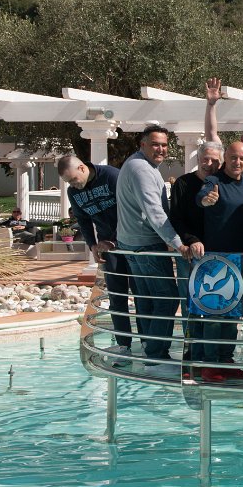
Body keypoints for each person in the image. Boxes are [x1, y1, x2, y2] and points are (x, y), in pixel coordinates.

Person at [116, 125, 189, 379]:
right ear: (143, 144)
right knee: (167, 298)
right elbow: (154, 211)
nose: (161, 149)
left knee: (147, 300)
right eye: (155, 144)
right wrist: (178, 243)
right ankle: (156, 357)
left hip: (132, 243)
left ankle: (150, 351)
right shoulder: (141, 169)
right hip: (145, 245)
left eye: (164, 145)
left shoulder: (138, 164)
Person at [57, 155, 136, 363]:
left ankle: (149, 344)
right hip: (107, 248)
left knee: (141, 295)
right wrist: (92, 244)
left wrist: (115, 240)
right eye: (68, 182)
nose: (73, 185)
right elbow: (83, 220)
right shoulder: (74, 192)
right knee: (117, 298)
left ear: (82, 168)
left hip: (132, 242)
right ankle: (124, 346)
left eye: (74, 179)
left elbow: (129, 209)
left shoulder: (111, 176)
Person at [196, 141, 243, 383]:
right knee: (215, 314)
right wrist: (206, 200)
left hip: (241, 258)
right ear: (225, 158)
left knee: (234, 314)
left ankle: (226, 360)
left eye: (242, 158)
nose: (237, 162)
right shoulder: (214, 181)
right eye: (233, 157)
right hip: (216, 259)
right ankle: (210, 364)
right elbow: (202, 196)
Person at [169, 141, 223, 372]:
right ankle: (191, 352)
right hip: (191, 254)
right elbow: (176, 218)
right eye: (205, 159)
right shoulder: (183, 183)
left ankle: (213, 356)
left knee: (215, 306)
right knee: (190, 304)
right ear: (198, 159)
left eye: (215, 160)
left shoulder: (223, 182)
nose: (209, 164)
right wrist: (190, 240)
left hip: (218, 255)